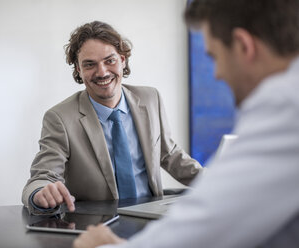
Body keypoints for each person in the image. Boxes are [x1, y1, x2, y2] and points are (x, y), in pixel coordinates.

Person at [72, 0, 299, 247]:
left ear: (244, 46)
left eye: (215, 56)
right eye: (90, 64)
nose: (217, 73)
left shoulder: (285, 106)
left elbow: (212, 219)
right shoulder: (62, 116)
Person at [22, 21, 202, 215]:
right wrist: (39, 193)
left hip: (152, 219)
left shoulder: (151, 99)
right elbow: (42, 177)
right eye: (90, 64)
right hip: (99, 226)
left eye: (110, 60)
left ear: (122, 60)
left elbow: (170, 155)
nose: (102, 72)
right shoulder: (60, 118)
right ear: (78, 70)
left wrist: (220, 181)